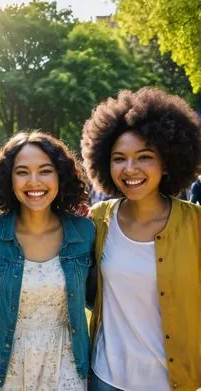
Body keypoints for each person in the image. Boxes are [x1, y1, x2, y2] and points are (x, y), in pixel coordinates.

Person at [81, 88, 201, 391]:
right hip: (105, 377)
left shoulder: (195, 224)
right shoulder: (98, 219)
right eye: (119, 158)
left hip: (172, 382)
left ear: (167, 161)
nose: (130, 169)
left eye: (144, 157)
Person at [0, 131, 95, 390]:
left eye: (45, 171)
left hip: (67, 368)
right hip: (4, 371)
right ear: (9, 179)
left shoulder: (85, 232)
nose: (34, 181)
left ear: (60, 175)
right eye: (22, 172)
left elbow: (99, 299)